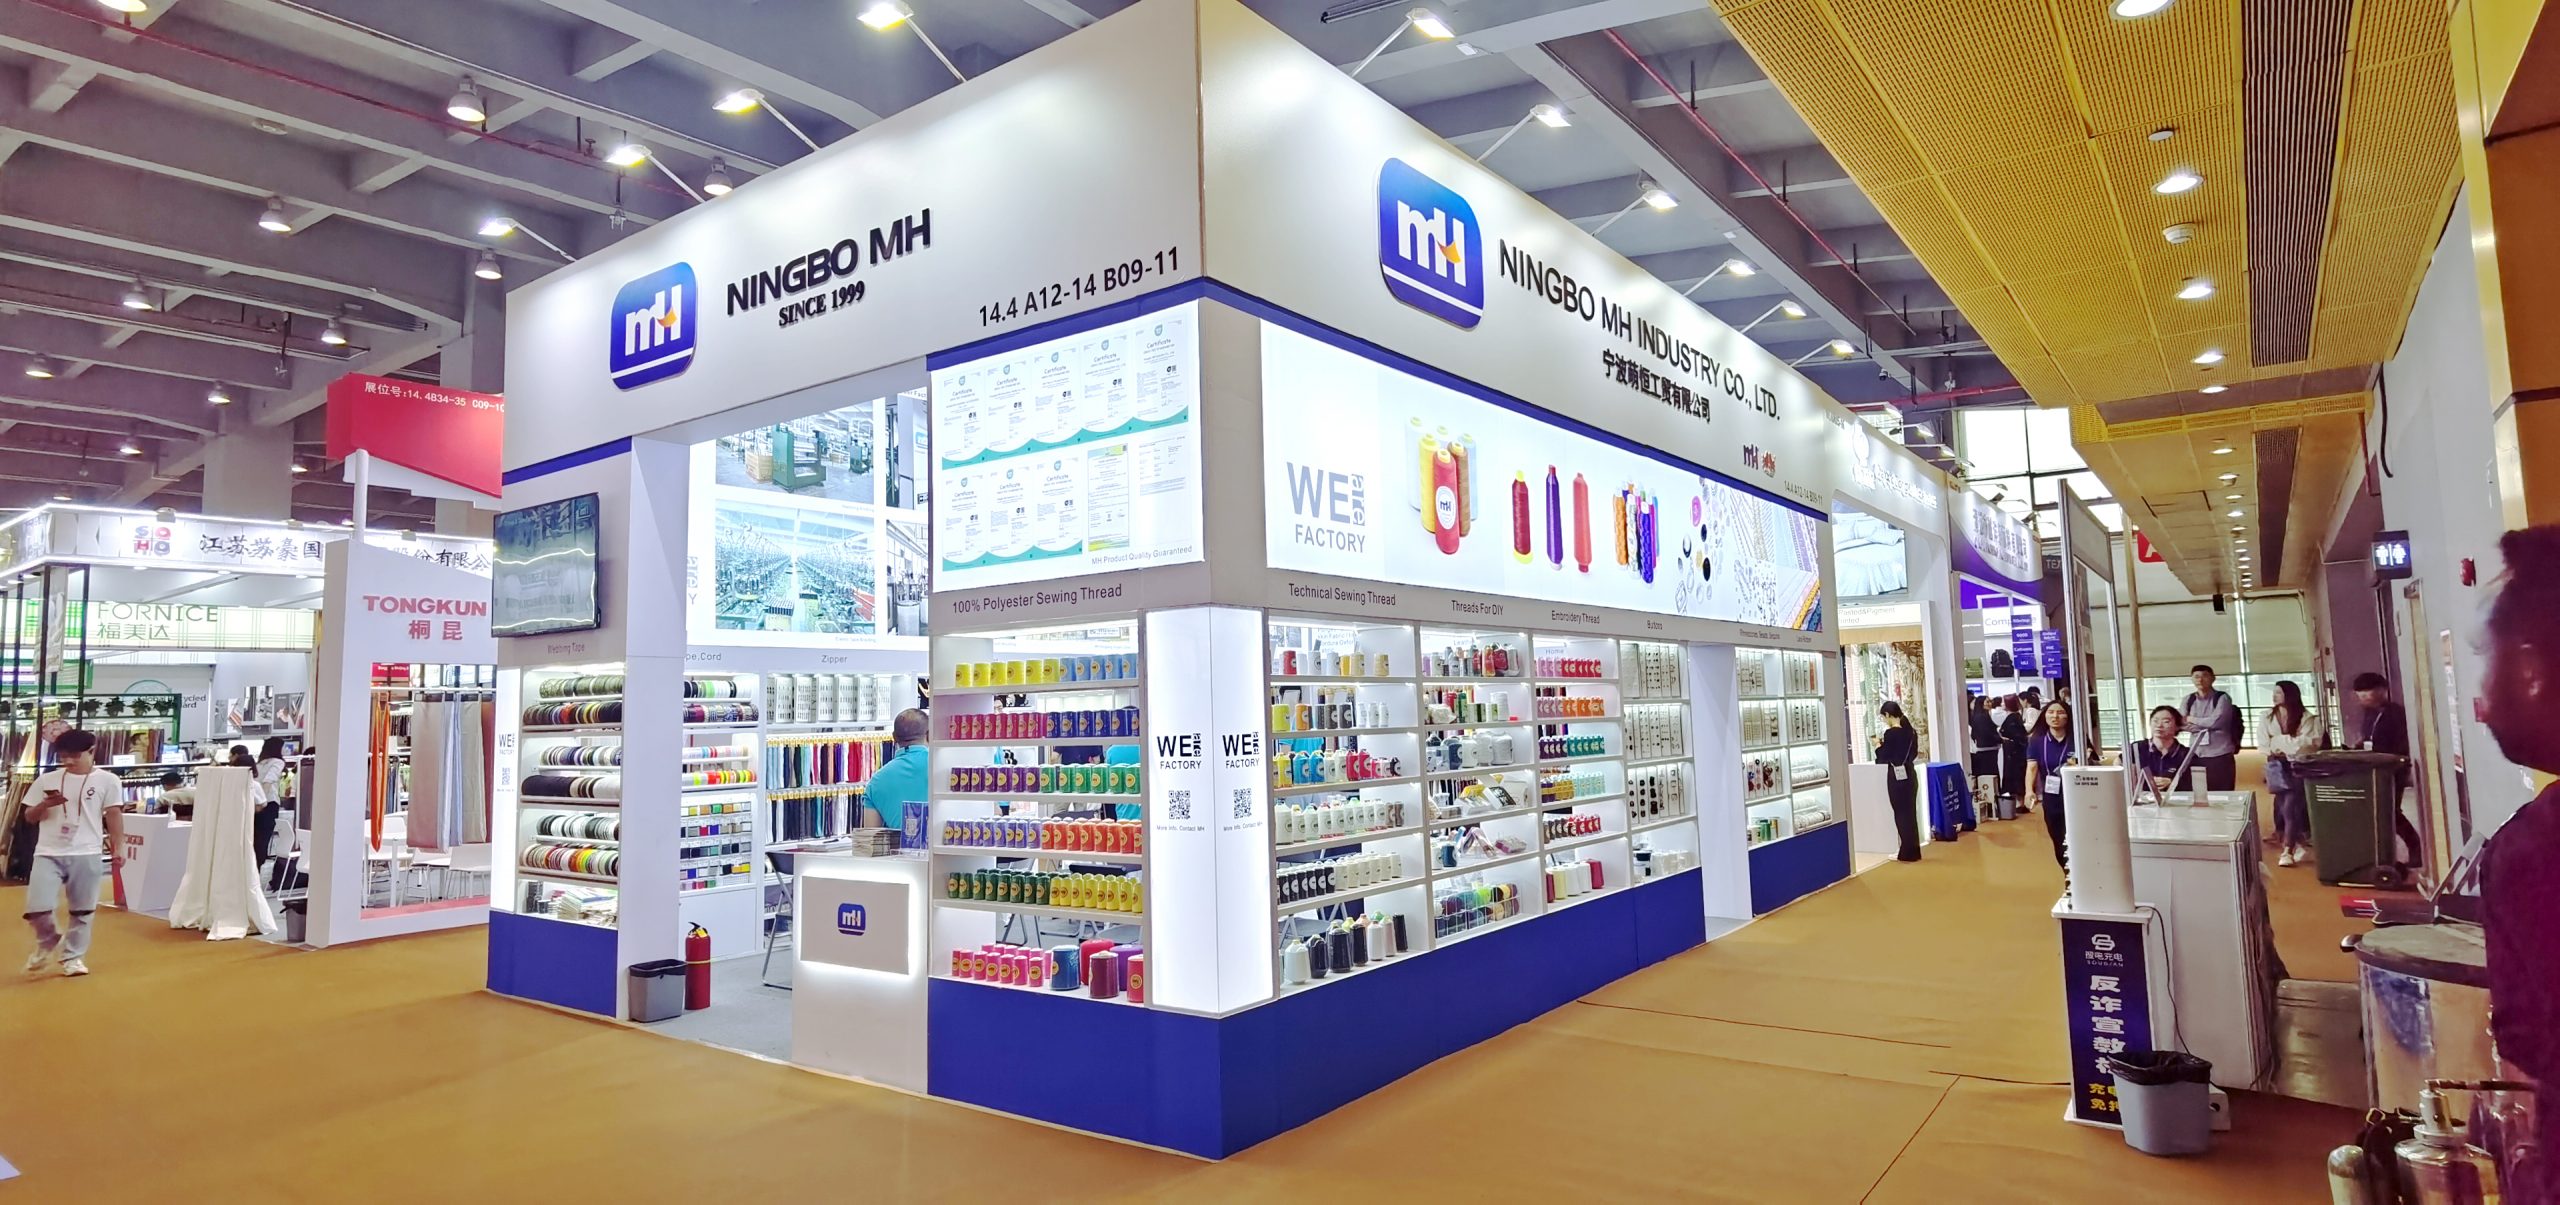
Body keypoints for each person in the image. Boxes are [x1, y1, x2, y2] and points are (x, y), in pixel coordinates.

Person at [2477, 525, 2560, 1203]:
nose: (2480, 703)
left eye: (2488, 657)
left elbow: (2533, 1059)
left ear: (2532, 669)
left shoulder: (2535, 855)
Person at [21, 729, 127, 978]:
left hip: (87, 851)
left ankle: (73, 957)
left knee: (83, 910)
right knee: (37, 908)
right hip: (47, 852)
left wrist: (119, 846)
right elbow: (29, 817)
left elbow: (114, 815)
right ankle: (48, 939)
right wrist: (45, 804)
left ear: (91, 751)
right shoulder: (47, 779)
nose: (68, 761)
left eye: (74, 755)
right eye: (63, 756)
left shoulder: (108, 780)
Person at [2352, 671, 2426, 869]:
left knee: (2391, 811)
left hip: (2393, 769)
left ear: (2382, 691)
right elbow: (2368, 738)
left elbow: (2401, 743)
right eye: (2360, 693)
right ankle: (2385, 853)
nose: (2363, 697)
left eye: (2367, 692)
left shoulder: (2395, 713)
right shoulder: (2368, 714)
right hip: (2374, 768)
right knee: (2381, 812)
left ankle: (2415, 848)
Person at [2262, 680, 2323, 867]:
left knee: (2290, 805)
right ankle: (2297, 842)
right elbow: (2264, 743)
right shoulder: (2266, 716)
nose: (2274, 696)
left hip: (2298, 765)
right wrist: (2289, 742)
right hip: (2276, 765)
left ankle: (2288, 849)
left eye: (2279, 693)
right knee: (2283, 804)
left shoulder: (2308, 718)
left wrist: (2278, 741)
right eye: (2274, 692)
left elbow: (2309, 743)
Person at [2025, 701, 2081, 868]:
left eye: (2060, 712)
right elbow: (2032, 768)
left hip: (2077, 796)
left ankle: (2079, 874)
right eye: (2051, 712)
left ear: (2068, 716)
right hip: (2052, 797)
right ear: (2045, 715)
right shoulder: (2036, 741)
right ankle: (2067, 873)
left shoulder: (2077, 739)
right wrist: (2029, 791)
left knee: (2078, 838)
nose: (2055, 716)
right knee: (2058, 839)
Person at [862, 708, 931, 840]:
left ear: (894, 737)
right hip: (945, 850)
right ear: (929, 734)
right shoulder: (940, 766)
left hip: (900, 852)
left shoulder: (876, 781)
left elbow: (871, 840)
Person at [2181, 664, 2242, 791]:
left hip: (2220, 753)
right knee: (2200, 792)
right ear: (2192, 679)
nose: (2200, 680)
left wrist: (2191, 719)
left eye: (2204, 676)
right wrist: (2204, 725)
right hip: (2196, 753)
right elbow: (2182, 722)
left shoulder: (2222, 698)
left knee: (2223, 792)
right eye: (2196, 676)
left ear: (2213, 678)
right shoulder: (2188, 699)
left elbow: (2216, 722)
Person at [1875, 701, 1921, 862]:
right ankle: (1913, 850)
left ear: (1888, 715)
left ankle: (1906, 852)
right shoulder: (1911, 732)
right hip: (1910, 774)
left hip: (1896, 777)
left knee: (1901, 814)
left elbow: (1883, 757)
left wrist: (1878, 746)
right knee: (1910, 814)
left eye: (1883, 717)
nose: (1884, 720)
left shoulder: (1891, 734)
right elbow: (1912, 754)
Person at [2133, 704, 2194, 796]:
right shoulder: (2136, 748)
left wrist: (2173, 783)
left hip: (2176, 801)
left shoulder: (2186, 754)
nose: (2159, 725)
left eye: (2166, 721)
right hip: (2143, 800)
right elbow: (2118, 764)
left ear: (2177, 726)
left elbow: (2195, 783)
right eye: (2155, 721)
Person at [1998, 696, 2030, 810]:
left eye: (2004, 702)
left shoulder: (2013, 718)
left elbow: (2014, 734)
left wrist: (2004, 738)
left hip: (2013, 753)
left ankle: (2019, 803)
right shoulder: (2016, 717)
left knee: (2015, 776)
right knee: (2017, 776)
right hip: (2015, 752)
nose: (2002, 704)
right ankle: (2019, 803)